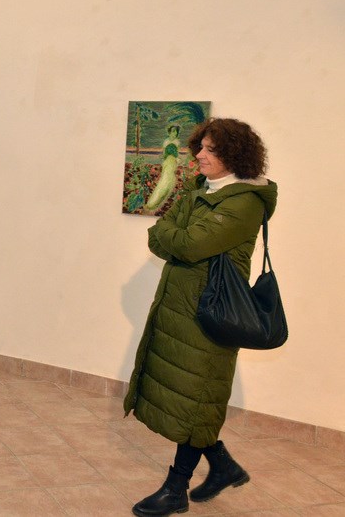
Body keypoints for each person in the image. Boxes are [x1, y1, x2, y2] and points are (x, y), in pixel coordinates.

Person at [124, 118, 278, 517]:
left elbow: (188, 244)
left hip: (210, 314)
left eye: (211, 150)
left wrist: (172, 234)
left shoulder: (245, 202)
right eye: (201, 147)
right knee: (193, 397)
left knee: (196, 400)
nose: (200, 156)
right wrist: (171, 234)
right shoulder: (202, 190)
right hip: (183, 309)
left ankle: (176, 489)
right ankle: (223, 466)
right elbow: (161, 236)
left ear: (235, 156)